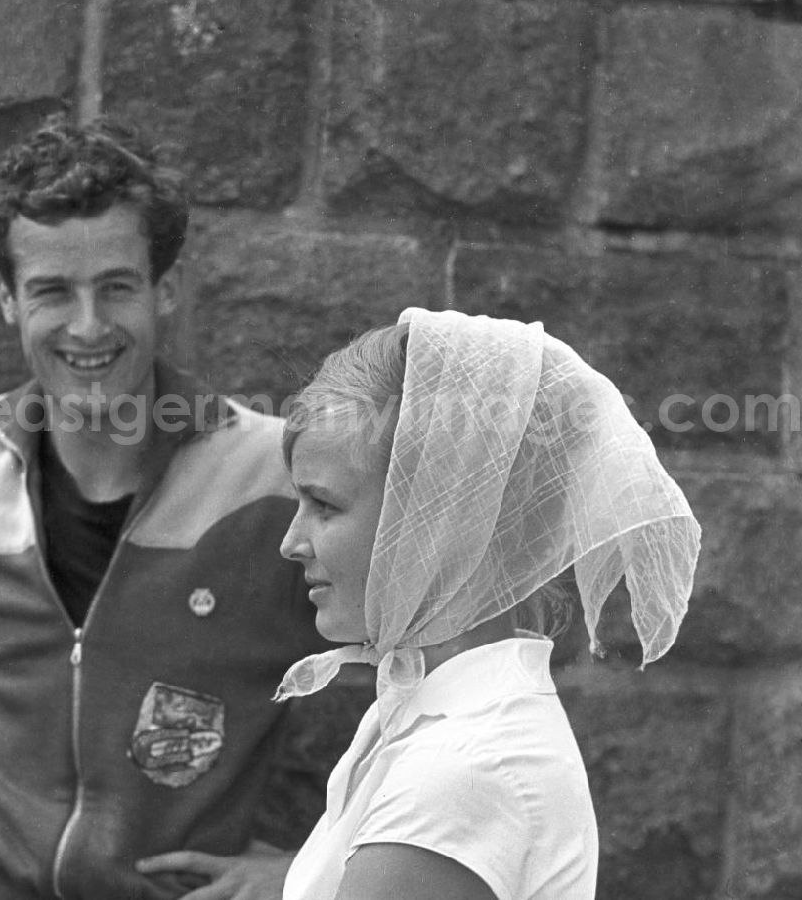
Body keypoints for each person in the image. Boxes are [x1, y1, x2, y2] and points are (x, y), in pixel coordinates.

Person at [0, 115, 328, 900]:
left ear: (165, 287)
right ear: (6, 297)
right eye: (51, 292)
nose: (88, 326)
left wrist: (318, 870)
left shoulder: (278, 481)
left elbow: (440, 666)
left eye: (116, 286)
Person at [274, 308, 702, 900]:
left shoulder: (462, 766)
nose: (291, 543)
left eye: (323, 506)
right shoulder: (428, 711)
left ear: (433, 521)